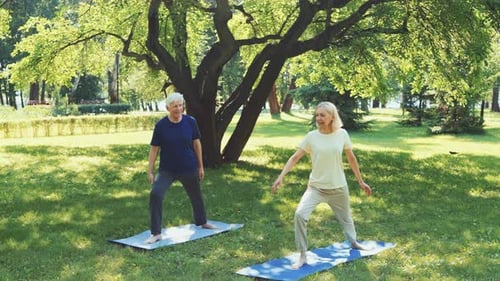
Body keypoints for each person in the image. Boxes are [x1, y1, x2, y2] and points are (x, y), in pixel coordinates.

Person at [271, 101, 372, 269]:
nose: (318, 118)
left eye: (322, 115)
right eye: (317, 115)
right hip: (316, 187)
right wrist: (281, 176)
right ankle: (302, 254)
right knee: (300, 215)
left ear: (332, 117)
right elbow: (295, 157)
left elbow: (351, 158)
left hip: (338, 187)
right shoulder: (311, 136)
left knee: (346, 218)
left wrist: (360, 181)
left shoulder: (342, 134)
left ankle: (353, 242)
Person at [145, 92, 216, 244]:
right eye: (174, 106)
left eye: (180, 105)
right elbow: (154, 149)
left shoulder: (190, 122)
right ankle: (156, 233)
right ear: (167, 108)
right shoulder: (161, 126)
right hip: (167, 170)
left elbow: (197, 144)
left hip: (188, 167)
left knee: (196, 195)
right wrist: (150, 170)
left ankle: (202, 221)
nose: (178, 109)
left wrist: (200, 166)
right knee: (156, 194)